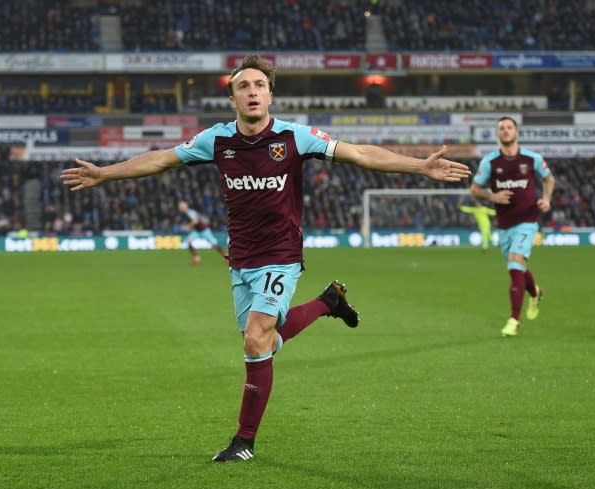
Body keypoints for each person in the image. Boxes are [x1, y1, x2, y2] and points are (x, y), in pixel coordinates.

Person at [61, 54, 471, 462]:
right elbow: (161, 159)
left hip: (281, 255)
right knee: (262, 343)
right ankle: (328, 302)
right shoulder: (216, 140)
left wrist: (420, 166)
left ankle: (244, 441)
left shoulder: (295, 137)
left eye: (259, 85)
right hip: (241, 259)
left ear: (271, 95)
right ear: (233, 99)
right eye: (244, 86)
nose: (252, 92)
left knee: (257, 336)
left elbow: (361, 153)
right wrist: (104, 173)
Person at [469, 116, 555, 337]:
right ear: (498, 134)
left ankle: (514, 319)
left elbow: (549, 179)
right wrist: (493, 197)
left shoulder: (532, 158)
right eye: (502, 128)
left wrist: (546, 199)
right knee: (518, 266)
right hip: (504, 224)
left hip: (527, 221)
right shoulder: (490, 162)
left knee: (515, 262)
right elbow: (475, 190)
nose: (506, 131)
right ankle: (535, 292)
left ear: (517, 132)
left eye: (509, 127)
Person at [177, 200, 227, 265]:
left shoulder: (190, 212)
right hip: (197, 231)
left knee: (214, 244)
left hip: (204, 230)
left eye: (181, 207)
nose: (180, 208)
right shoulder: (186, 213)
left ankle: (227, 257)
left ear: (184, 207)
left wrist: (188, 227)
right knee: (188, 241)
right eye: (180, 207)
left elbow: (195, 221)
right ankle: (197, 258)